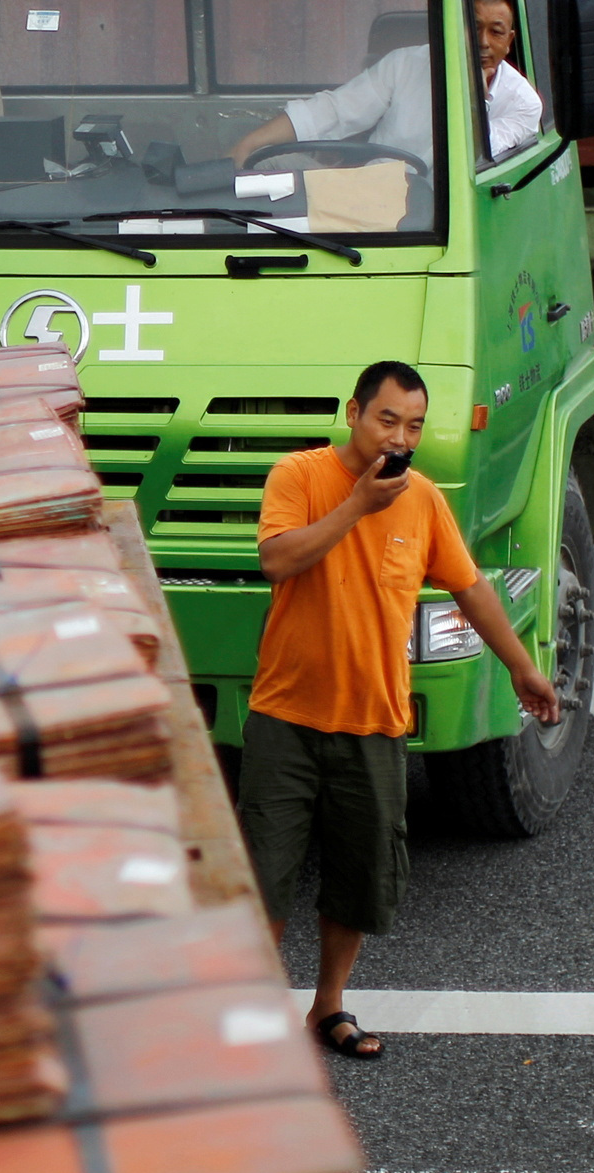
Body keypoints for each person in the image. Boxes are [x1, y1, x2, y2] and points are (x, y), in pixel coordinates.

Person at [240, 360, 564, 1061]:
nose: (400, 436)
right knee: (265, 876)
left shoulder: (422, 500)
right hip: (286, 715)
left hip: (375, 720)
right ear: (354, 411)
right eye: (387, 419)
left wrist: (522, 666)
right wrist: (357, 505)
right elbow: (276, 559)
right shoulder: (298, 475)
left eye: (413, 424)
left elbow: (472, 588)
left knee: (360, 879)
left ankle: (327, 1008)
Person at [231, 0, 541, 169]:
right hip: (368, 190)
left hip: (433, 214)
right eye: (472, 28)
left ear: (509, 41)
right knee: (268, 163)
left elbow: (473, 159)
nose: (483, 42)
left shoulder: (523, 103)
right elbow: (334, 111)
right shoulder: (405, 64)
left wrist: (476, 96)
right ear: (452, 26)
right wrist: (250, 144)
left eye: (495, 32)